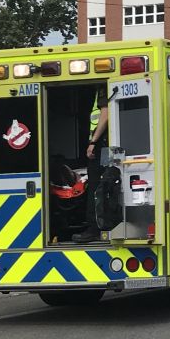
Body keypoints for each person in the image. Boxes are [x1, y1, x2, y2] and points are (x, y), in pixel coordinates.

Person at [73, 85, 108, 242]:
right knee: (102, 184)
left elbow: (105, 115)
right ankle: (101, 226)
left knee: (96, 186)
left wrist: (93, 142)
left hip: (102, 146)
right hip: (106, 146)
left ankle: (94, 228)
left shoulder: (103, 87)